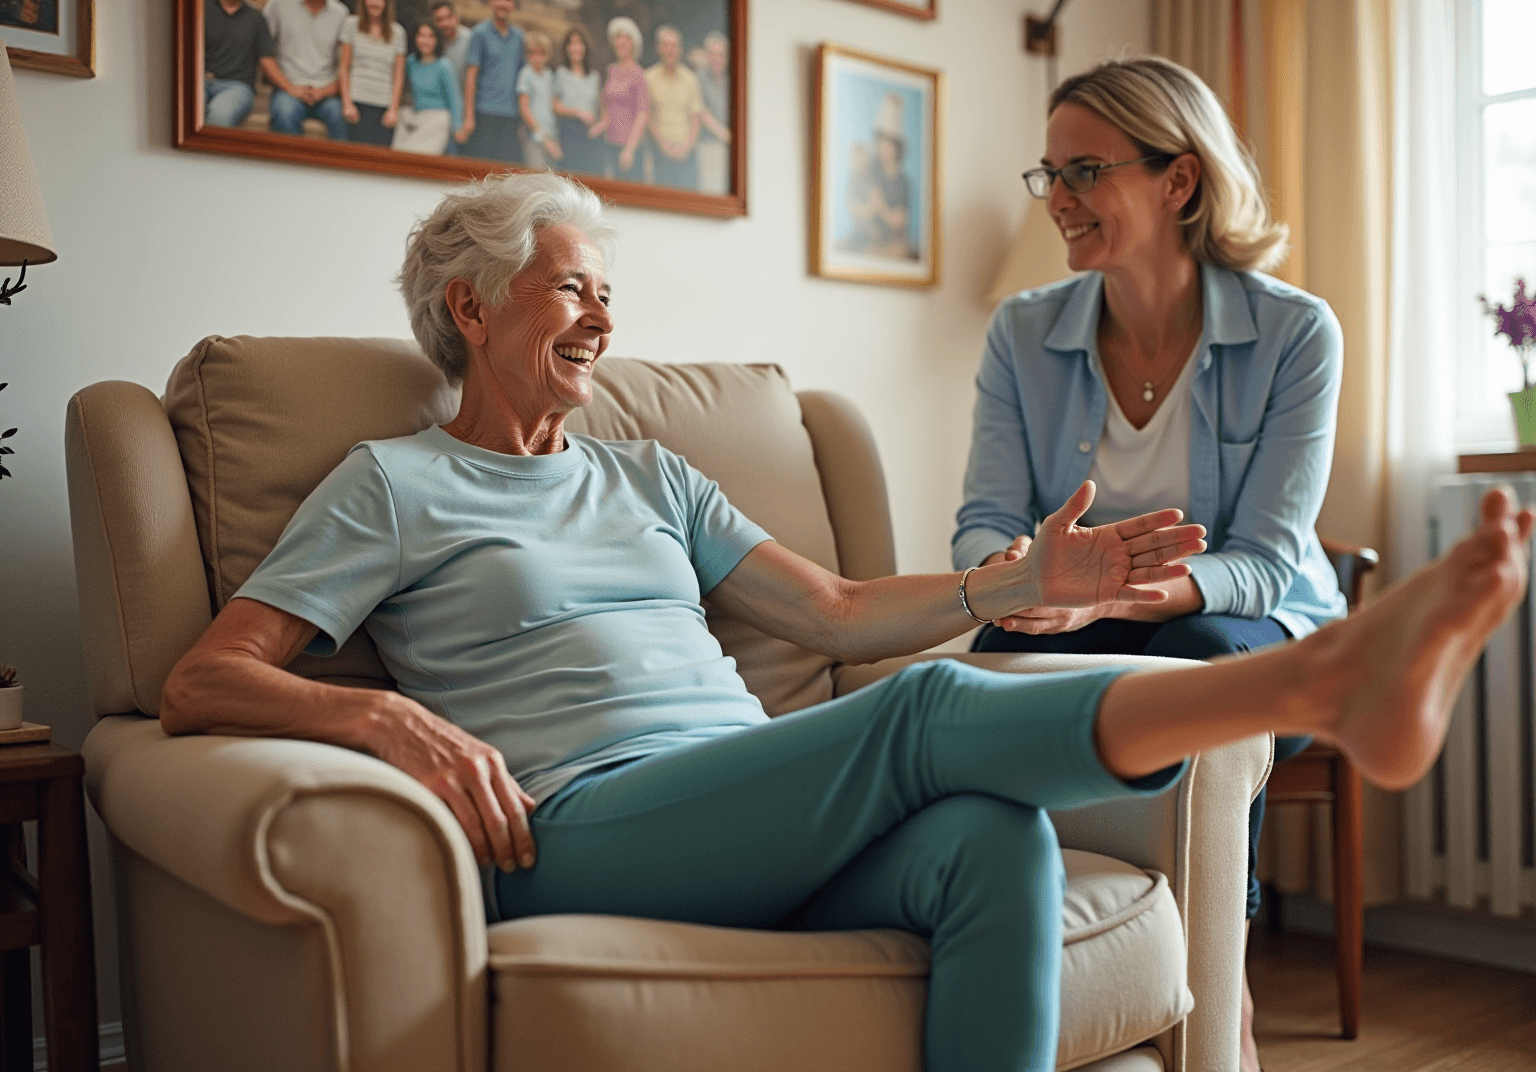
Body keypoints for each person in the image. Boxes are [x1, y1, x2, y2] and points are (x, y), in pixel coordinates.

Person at [160, 171, 1533, 1072]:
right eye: (575, 286)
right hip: (574, 826)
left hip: (746, 803)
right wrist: (377, 711)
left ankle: (1326, 681)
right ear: (472, 306)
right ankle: (1321, 683)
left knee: (989, 843)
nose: (603, 316)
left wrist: (1019, 589)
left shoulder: (650, 471)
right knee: (931, 716)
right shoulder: (392, 484)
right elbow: (202, 682)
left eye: (604, 291)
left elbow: (830, 610)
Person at [950, 56, 1344, 1072]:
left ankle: (1224, 988)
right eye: (1049, 175)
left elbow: (1261, 565)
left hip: (1257, 631)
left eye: (1084, 171)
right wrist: (1018, 574)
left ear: (1179, 179)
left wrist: (1105, 596)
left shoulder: (1296, 333)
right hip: (1094, 615)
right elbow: (987, 519)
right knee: (994, 652)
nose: (1059, 201)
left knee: (1203, 651)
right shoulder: (1021, 332)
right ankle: (1022, 953)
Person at [262, 0, 349, 140]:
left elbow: (347, 64)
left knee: (342, 116)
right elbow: (263, 53)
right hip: (289, 89)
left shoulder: (341, 13)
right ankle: (291, 162)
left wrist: (325, 91)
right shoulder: (278, 4)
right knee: (285, 114)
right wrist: (290, 87)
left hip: (325, 92)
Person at [845, 93, 914, 258]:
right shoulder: (868, 170)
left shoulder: (903, 182)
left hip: (892, 244)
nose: (884, 148)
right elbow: (854, 206)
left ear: (897, 147)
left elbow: (900, 219)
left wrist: (881, 207)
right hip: (866, 239)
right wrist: (869, 207)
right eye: (881, 142)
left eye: (889, 144)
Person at [458, 0, 523, 162]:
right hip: (484, 113)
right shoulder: (479, 33)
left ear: (513, 5)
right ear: (491, 3)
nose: (503, 4)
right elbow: (471, 77)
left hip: (511, 116)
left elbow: (522, 80)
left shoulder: (520, 36)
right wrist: (468, 117)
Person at [588, 16, 647, 182]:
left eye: (626, 37)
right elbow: (608, 106)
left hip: (629, 146)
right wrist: (600, 124)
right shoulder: (611, 70)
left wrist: (629, 149)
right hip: (610, 142)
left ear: (633, 43)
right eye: (618, 37)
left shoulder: (638, 74)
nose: (621, 41)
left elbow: (643, 114)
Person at [339, 0, 405, 147]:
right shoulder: (351, 24)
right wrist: (347, 103)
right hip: (356, 106)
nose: (375, 3)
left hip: (384, 108)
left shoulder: (398, 32)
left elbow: (398, 76)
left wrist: (393, 109)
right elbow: (344, 67)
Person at [202, 0, 277, 129]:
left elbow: (266, 60)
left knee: (219, 114)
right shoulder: (202, 10)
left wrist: (291, 88)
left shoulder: (256, 17)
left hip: (237, 86)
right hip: (201, 80)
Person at [644, 25, 702, 189]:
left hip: (688, 153)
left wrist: (686, 146)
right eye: (665, 45)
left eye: (674, 45)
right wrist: (663, 145)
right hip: (660, 153)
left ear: (680, 49)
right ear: (658, 48)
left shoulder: (690, 78)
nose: (670, 50)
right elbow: (648, 116)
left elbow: (696, 116)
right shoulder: (648, 77)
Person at [391, 21, 461, 156]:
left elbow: (455, 98)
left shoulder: (444, 66)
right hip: (413, 117)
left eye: (431, 36)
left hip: (437, 119)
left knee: (422, 157)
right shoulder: (411, 62)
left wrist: (457, 128)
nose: (425, 41)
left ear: (437, 40)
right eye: (421, 36)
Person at [552, 27, 602, 175]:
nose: (576, 48)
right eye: (571, 43)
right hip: (569, 132)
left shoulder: (594, 76)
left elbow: (601, 107)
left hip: (591, 136)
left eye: (579, 43)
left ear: (585, 47)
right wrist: (578, 112)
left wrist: (597, 126)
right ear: (566, 48)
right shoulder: (561, 73)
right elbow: (554, 105)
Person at [693, 30, 731, 195]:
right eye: (713, 54)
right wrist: (725, 134)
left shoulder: (732, 79)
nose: (717, 58)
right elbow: (701, 112)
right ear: (707, 56)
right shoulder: (699, 78)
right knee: (712, 192)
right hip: (709, 145)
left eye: (721, 54)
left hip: (732, 147)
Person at [516, 31, 561, 169]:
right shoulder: (526, 74)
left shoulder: (549, 75)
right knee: (536, 175)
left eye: (541, 53)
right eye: (533, 53)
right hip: (533, 136)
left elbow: (554, 106)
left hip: (551, 134)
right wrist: (543, 138)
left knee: (551, 176)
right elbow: (524, 109)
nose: (537, 58)